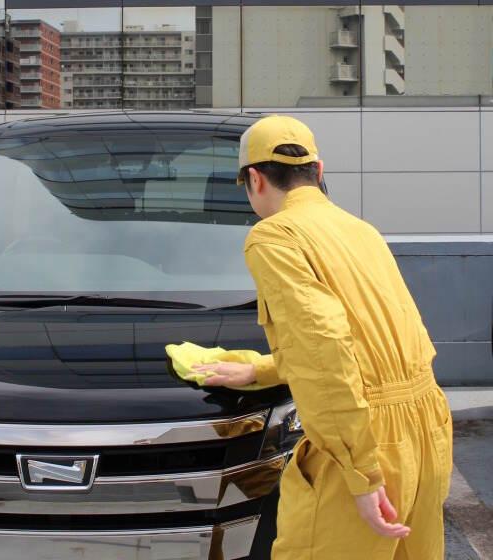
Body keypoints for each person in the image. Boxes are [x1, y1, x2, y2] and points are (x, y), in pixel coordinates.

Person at [193, 116, 452, 559]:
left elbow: (325, 351)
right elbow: (371, 340)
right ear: (319, 170)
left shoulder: (274, 236)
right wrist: (260, 368)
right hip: (428, 431)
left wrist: (362, 472)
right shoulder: (361, 231)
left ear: (254, 179)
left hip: (366, 439)